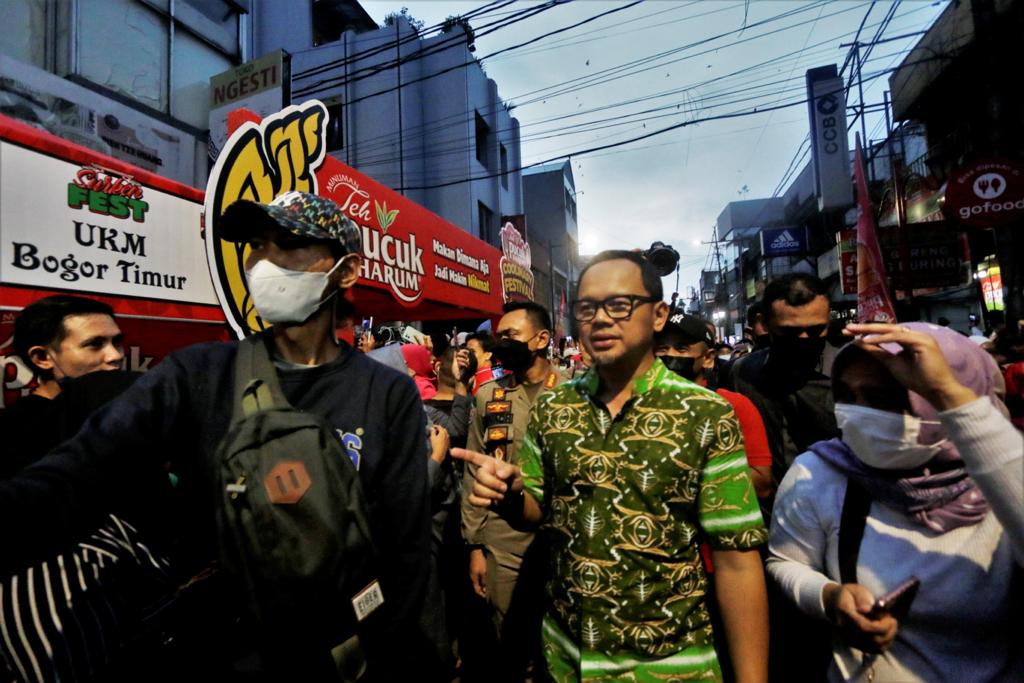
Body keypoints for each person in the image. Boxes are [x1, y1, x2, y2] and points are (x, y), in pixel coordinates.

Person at [0, 191, 433, 680]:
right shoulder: (200, 372)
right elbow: (85, 465)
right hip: (223, 651)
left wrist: (389, 654)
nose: (264, 262)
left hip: (340, 651)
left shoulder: (385, 391)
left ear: (347, 270)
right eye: (256, 245)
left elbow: (405, 543)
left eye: (289, 243)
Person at [456, 251, 769, 683]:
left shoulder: (706, 413)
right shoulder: (555, 408)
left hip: (669, 666)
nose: (601, 319)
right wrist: (511, 496)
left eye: (620, 305)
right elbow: (537, 510)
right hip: (565, 662)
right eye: (587, 308)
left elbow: (736, 561)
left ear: (658, 315)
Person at [767, 322, 1023, 682]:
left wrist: (946, 392)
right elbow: (786, 562)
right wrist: (828, 597)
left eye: (883, 398)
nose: (858, 413)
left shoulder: (1004, 475)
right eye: (847, 396)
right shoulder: (819, 473)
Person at [460, 301, 566, 682]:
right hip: (504, 542)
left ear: (541, 339)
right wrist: (475, 546)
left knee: (562, 640)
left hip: (564, 537)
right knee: (511, 642)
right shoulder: (489, 395)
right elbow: (473, 472)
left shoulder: (573, 392)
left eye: (511, 335)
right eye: (499, 336)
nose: (502, 342)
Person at [729, 273, 839, 496]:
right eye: (790, 331)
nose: (804, 338)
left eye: (816, 330)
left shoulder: (848, 375)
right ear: (765, 323)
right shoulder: (743, 372)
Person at [2, 295, 124, 476]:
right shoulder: (13, 433)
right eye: (94, 344)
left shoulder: (124, 413)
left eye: (117, 342)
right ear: (42, 358)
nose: (116, 355)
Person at [655, 312, 772, 499]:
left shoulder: (733, 406)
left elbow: (761, 483)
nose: (669, 355)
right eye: (662, 348)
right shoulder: (638, 405)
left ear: (708, 358)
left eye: (681, 348)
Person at [465, 331, 500, 396]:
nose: (467, 355)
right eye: (466, 351)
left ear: (488, 355)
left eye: (472, 351)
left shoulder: (483, 377)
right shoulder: (498, 371)